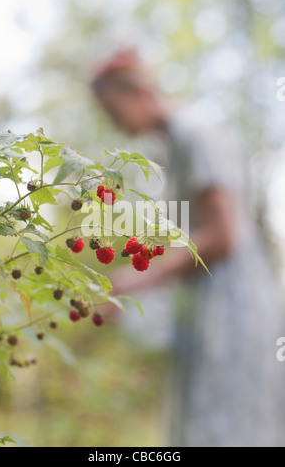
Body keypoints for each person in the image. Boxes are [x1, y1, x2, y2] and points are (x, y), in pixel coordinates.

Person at [90, 50, 285, 447]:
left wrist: (138, 279)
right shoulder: (175, 143)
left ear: (137, 92)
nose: (111, 121)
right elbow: (192, 236)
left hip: (233, 308)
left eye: (111, 108)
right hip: (210, 304)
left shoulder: (195, 133)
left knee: (227, 426)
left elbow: (221, 235)